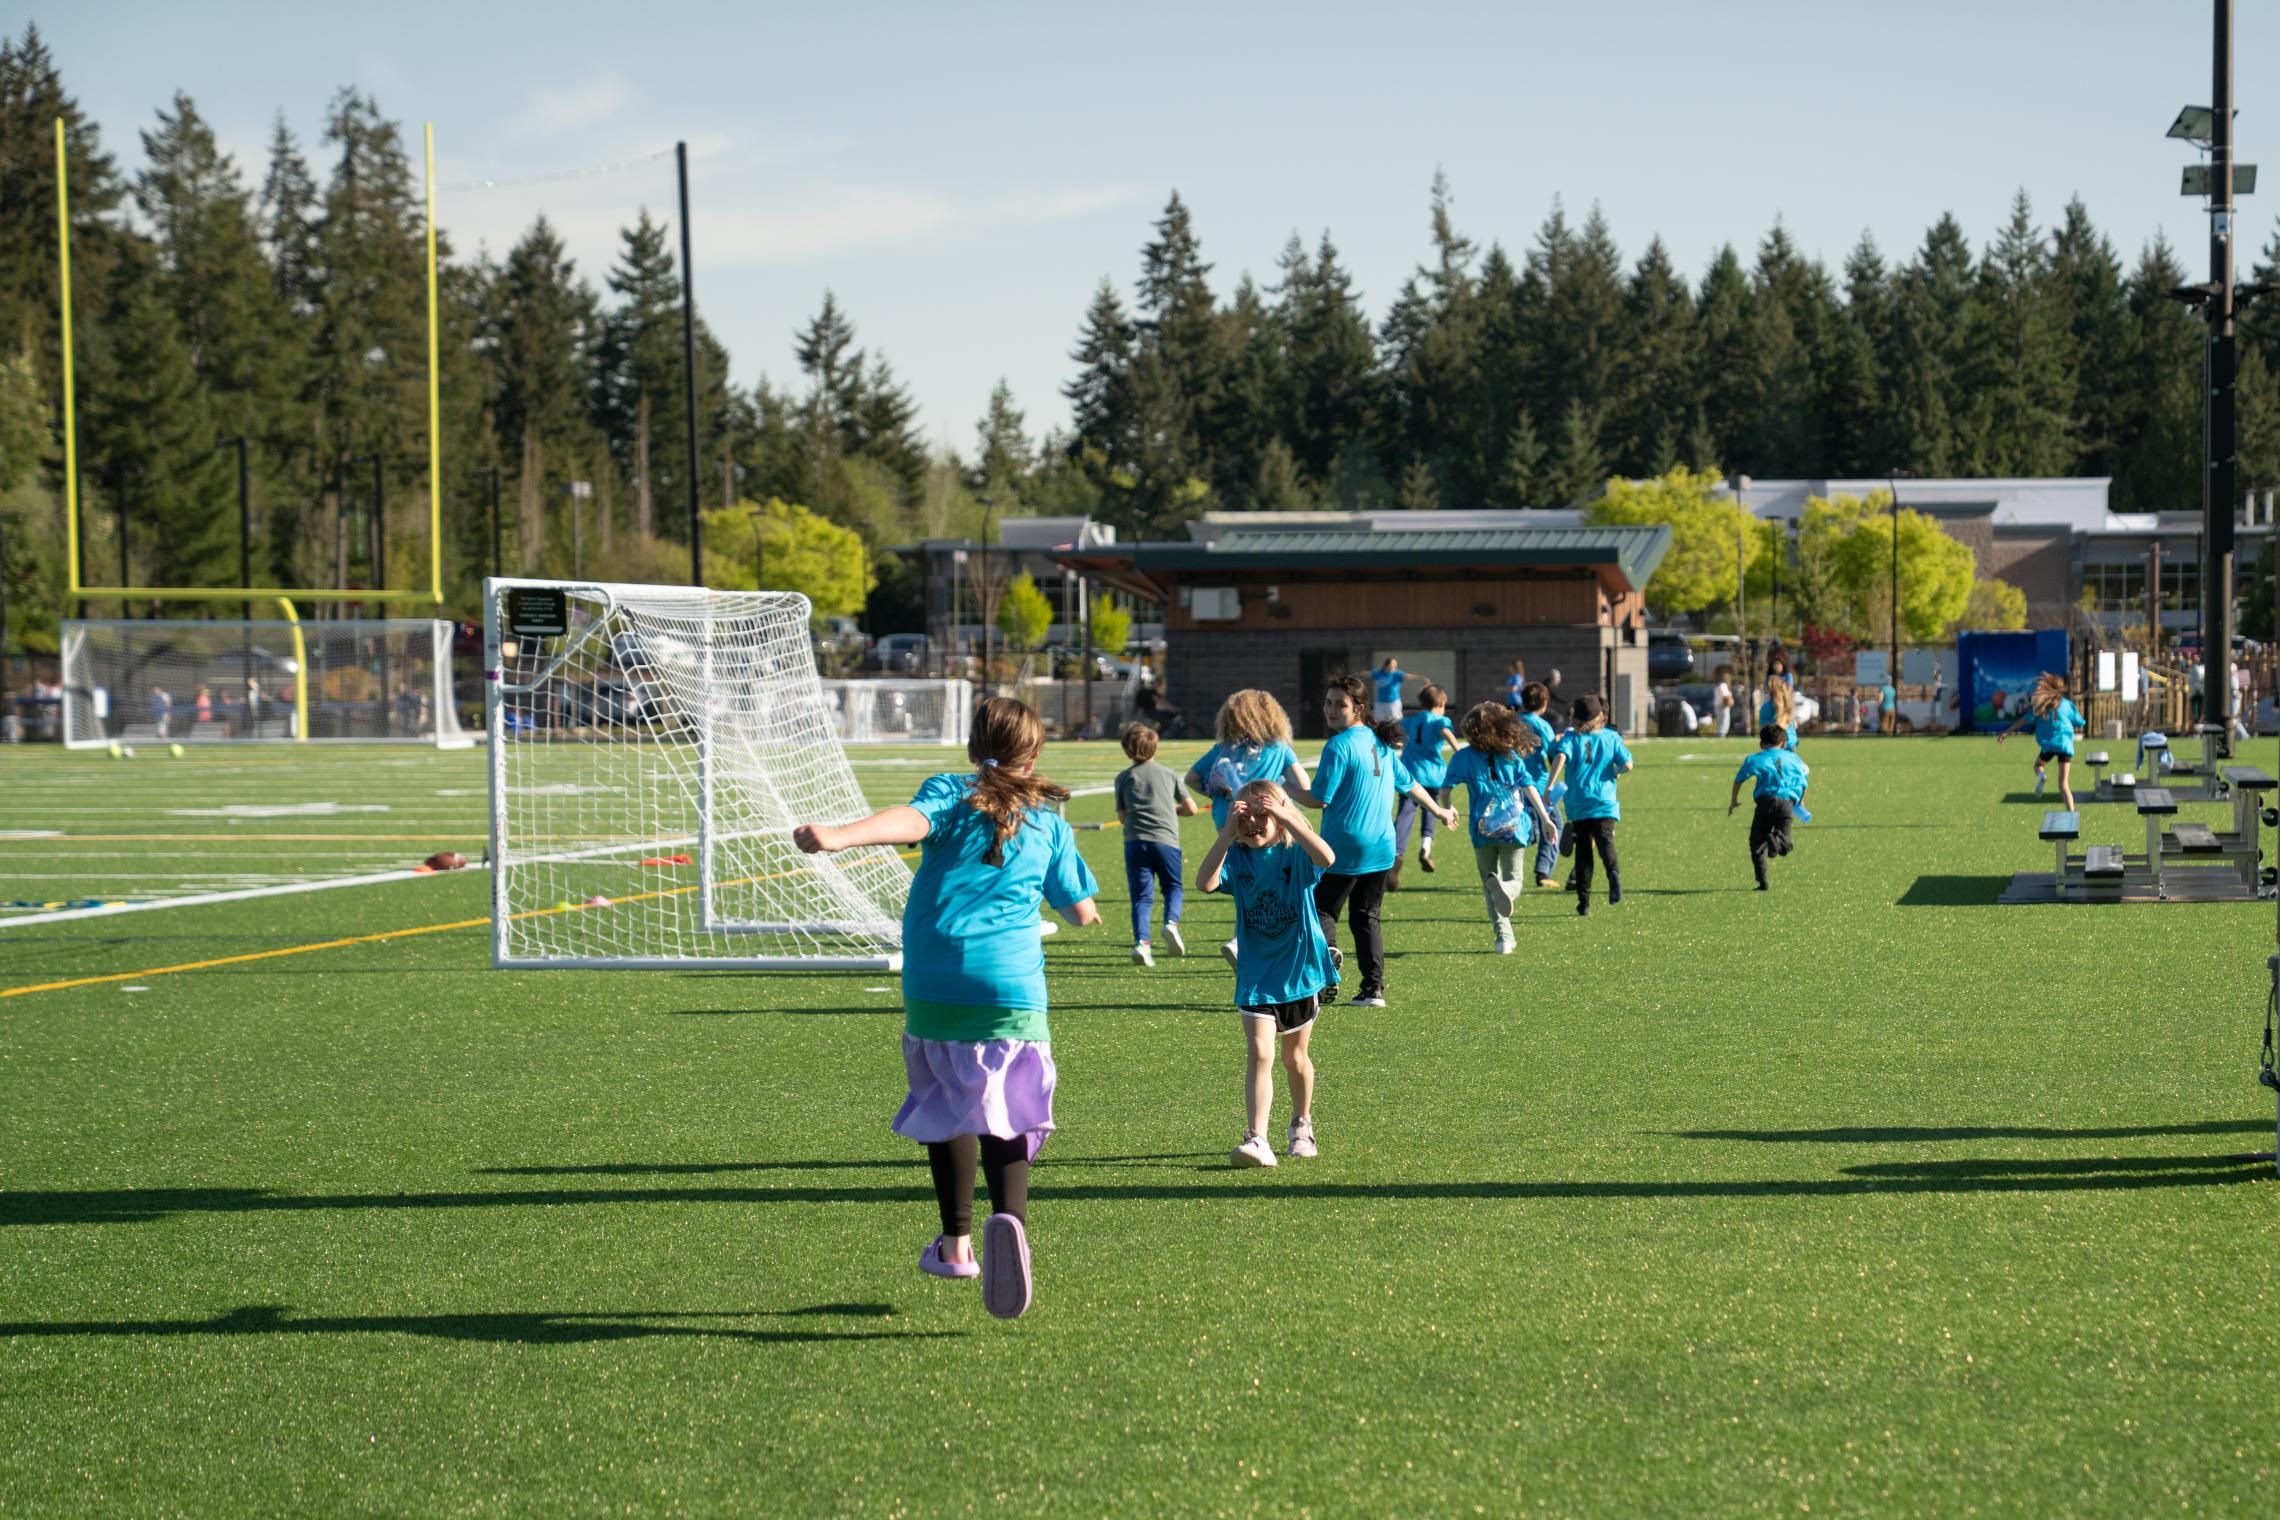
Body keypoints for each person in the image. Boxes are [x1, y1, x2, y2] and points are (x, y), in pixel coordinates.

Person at [791, 696, 1100, 1321]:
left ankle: (957, 1242)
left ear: (972, 745)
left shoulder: (949, 792)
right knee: (1009, 1114)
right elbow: (1080, 911)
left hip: (937, 982)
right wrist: (1078, 907)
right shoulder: (1050, 822)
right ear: (1035, 753)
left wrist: (838, 837)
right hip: (1012, 988)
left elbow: (908, 822)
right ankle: (1009, 1222)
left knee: (948, 1104)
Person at [1197, 779, 1340, 1169]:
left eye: (1263, 816)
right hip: (1256, 975)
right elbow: (1205, 882)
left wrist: (1286, 815)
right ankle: (1257, 1138)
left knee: (1295, 1058)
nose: (1255, 824)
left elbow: (1327, 858)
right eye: (1247, 818)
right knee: (1260, 1051)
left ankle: (1301, 1124)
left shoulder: (1293, 856)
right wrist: (1227, 834)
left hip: (1299, 972)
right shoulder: (1238, 858)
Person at [1295, 673, 1455, 1007]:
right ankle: (1373, 989)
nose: (1331, 710)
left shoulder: (1338, 746)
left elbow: (1320, 798)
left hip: (1344, 847)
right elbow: (1409, 783)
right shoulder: (1380, 741)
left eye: (1340, 704)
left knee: (1320, 907)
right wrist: (1438, 810)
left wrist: (1284, 790)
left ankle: (1327, 959)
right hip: (1383, 846)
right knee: (1366, 916)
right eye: (1328, 703)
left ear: (1359, 707)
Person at [1184, 690, 1312, 968]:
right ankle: (1244, 940)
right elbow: (1303, 785)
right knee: (1269, 879)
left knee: (1241, 876)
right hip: (1269, 823)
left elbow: (1191, 778)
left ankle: (1241, 938)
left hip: (1229, 818)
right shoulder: (1278, 747)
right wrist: (1278, 796)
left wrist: (1217, 792)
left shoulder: (1223, 749)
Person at [1443, 702, 1558, 953]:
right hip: (1514, 827)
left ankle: (1503, 938)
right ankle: (1505, 890)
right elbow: (1529, 788)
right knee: (1513, 879)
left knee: (1489, 884)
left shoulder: (1462, 757)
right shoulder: (1511, 756)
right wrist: (1545, 818)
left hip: (1482, 830)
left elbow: (1446, 788)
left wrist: (1447, 809)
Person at [1114, 722, 1197, 967]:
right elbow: (1191, 808)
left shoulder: (1123, 777)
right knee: (1173, 887)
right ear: (1155, 747)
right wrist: (1172, 810)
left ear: (1127, 751)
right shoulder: (1169, 774)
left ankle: (1142, 944)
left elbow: (1121, 816)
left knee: (1141, 897)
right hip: (1166, 840)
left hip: (1135, 842)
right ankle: (1171, 923)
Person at [1556, 694, 1633, 917]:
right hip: (1605, 802)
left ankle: (1584, 901)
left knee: (1583, 853)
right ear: (1600, 716)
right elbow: (1627, 764)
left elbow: (1560, 758)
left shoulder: (1571, 739)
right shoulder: (1611, 737)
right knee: (1605, 841)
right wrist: (1615, 772)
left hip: (1579, 803)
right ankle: (1613, 874)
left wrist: (1550, 785)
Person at [1729, 723, 1810, 891]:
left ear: (1761, 744)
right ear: (1783, 743)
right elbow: (1803, 781)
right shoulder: (1794, 758)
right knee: (1786, 844)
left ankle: (1762, 881)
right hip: (1786, 805)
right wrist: (1801, 801)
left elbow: (1739, 779)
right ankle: (1776, 840)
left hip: (1765, 804)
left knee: (1755, 844)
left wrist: (1734, 800)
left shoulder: (1755, 759)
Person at [1390, 683, 1456, 888]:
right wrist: (1457, 749)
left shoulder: (1410, 721)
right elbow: (1445, 731)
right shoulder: (1440, 720)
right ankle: (1426, 849)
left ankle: (1396, 853)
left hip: (1410, 776)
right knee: (1431, 811)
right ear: (1442, 703)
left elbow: (1395, 732)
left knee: (1405, 814)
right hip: (1434, 776)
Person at [1997, 672, 2086, 809]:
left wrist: (2006, 732)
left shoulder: (2040, 706)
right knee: (2063, 785)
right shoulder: (2067, 704)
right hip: (2065, 746)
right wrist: (2078, 722)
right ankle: (2072, 815)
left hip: (2049, 746)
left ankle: (2042, 775)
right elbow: (2080, 722)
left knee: (2038, 766)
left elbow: (2023, 721)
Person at [1517, 681, 1566, 889]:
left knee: (1514, 821)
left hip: (1512, 783)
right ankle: (1543, 871)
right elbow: (1554, 752)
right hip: (1537, 784)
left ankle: (1529, 833)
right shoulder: (1541, 725)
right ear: (1544, 703)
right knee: (1554, 824)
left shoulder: (1512, 721)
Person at [1758, 677, 1798, 752]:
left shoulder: (1768, 707)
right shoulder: (1788, 705)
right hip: (1790, 743)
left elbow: (1763, 728)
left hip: (1775, 744)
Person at [1371, 657, 1405, 723]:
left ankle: (1395, 733)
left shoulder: (1397, 674)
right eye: (1393, 664)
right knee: (1380, 720)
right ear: (1387, 664)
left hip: (1393, 702)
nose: (1395, 666)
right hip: (1380, 702)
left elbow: (1409, 676)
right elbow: (1367, 674)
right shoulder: (1379, 673)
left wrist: (1423, 679)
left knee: (1395, 720)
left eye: (1395, 664)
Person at [1712, 667, 1735, 738]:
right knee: (1724, 722)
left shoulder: (1717, 686)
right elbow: (1725, 695)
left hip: (1718, 706)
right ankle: (1721, 736)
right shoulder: (1723, 685)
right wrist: (1730, 698)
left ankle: (1720, 735)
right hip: (1723, 706)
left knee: (1720, 722)